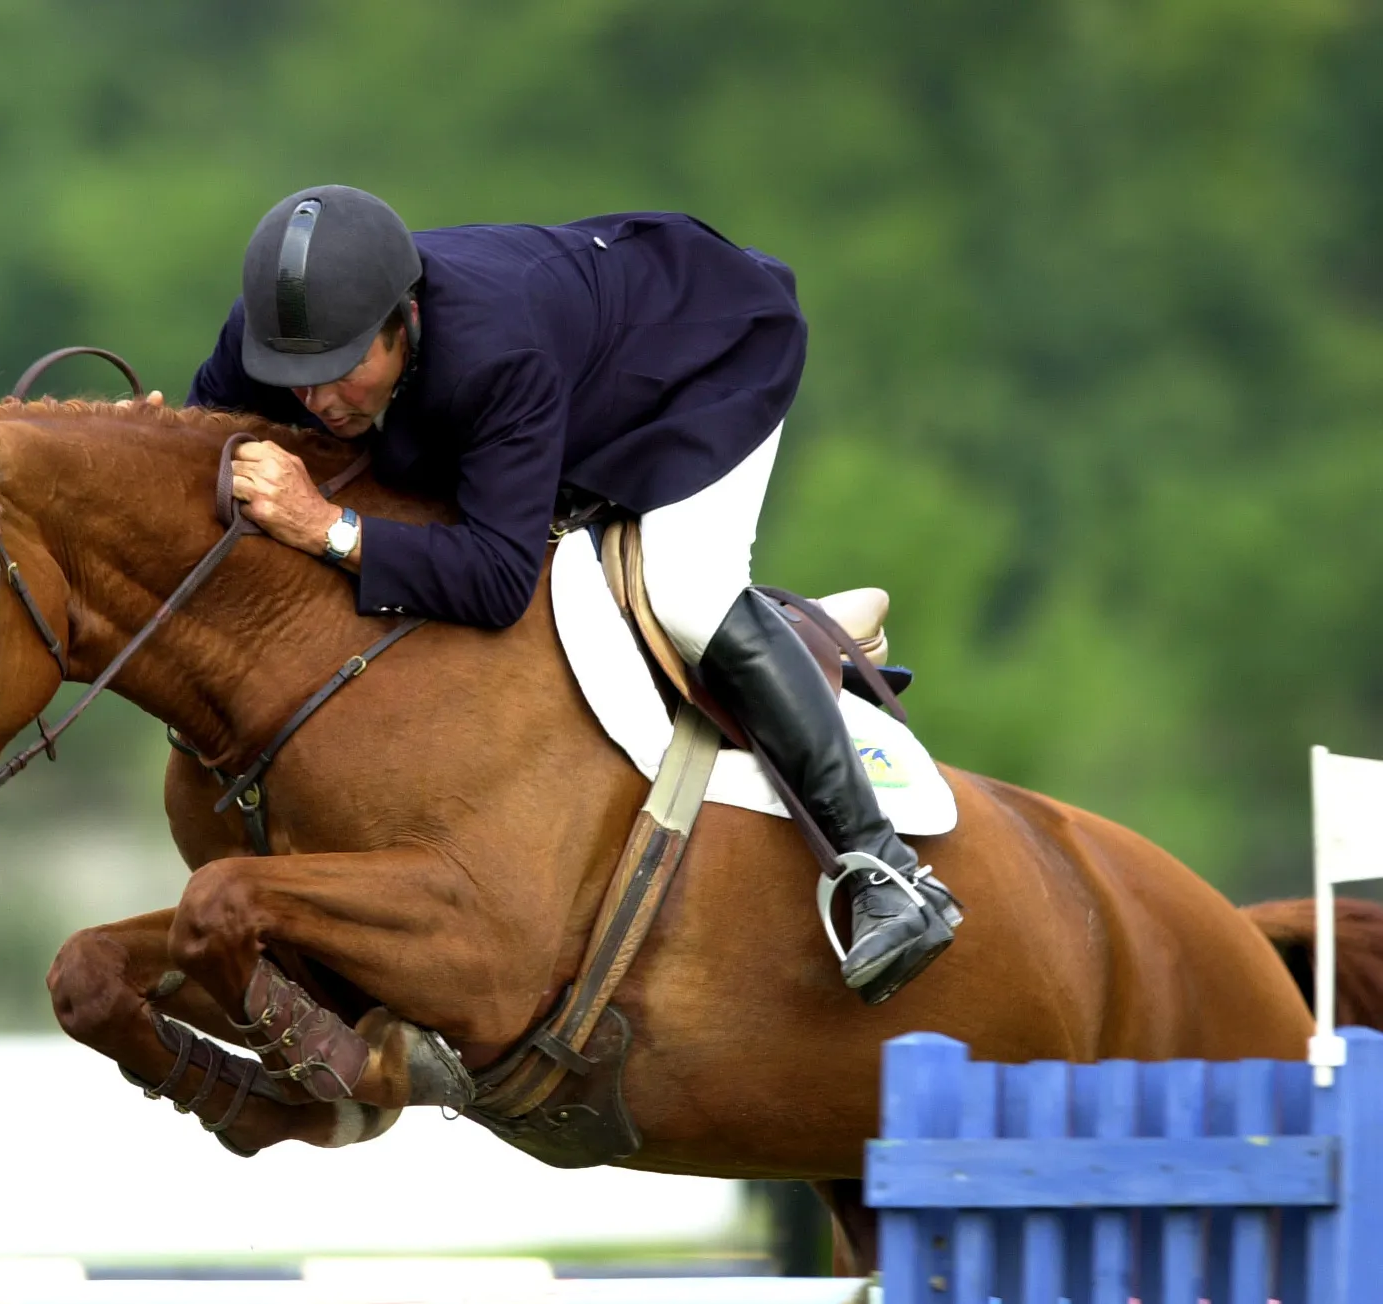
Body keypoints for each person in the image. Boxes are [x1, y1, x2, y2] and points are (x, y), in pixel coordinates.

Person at [184, 185, 959, 1004]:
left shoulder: (492, 354)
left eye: (340, 373)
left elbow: (494, 580)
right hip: (582, 355)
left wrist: (330, 528)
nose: (316, 399)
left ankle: (886, 873)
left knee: (685, 591)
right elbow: (199, 446)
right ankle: (781, 645)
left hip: (705, 360)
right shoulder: (286, 337)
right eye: (293, 379)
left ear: (403, 320)